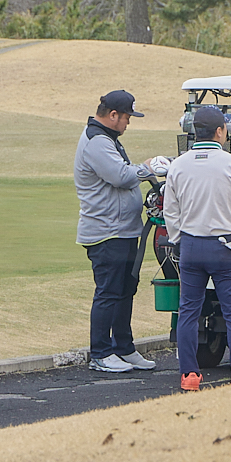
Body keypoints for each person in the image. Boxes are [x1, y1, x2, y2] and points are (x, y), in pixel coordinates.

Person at [162, 104, 231, 391]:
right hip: (226, 247)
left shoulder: (178, 164)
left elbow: (171, 211)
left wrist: (178, 240)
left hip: (191, 245)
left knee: (188, 311)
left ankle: (190, 375)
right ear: (219, 131)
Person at [74, 89, 158, 373]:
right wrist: (148, 169)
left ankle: (123, 348)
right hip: (106, 232)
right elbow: (121, 176)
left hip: (122, 231)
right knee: (109, 292)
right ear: (113, 115)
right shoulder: (97, 141)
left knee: (124, 291)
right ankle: (100, 352)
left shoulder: (107, 138)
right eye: (126, 117)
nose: (128, 123)